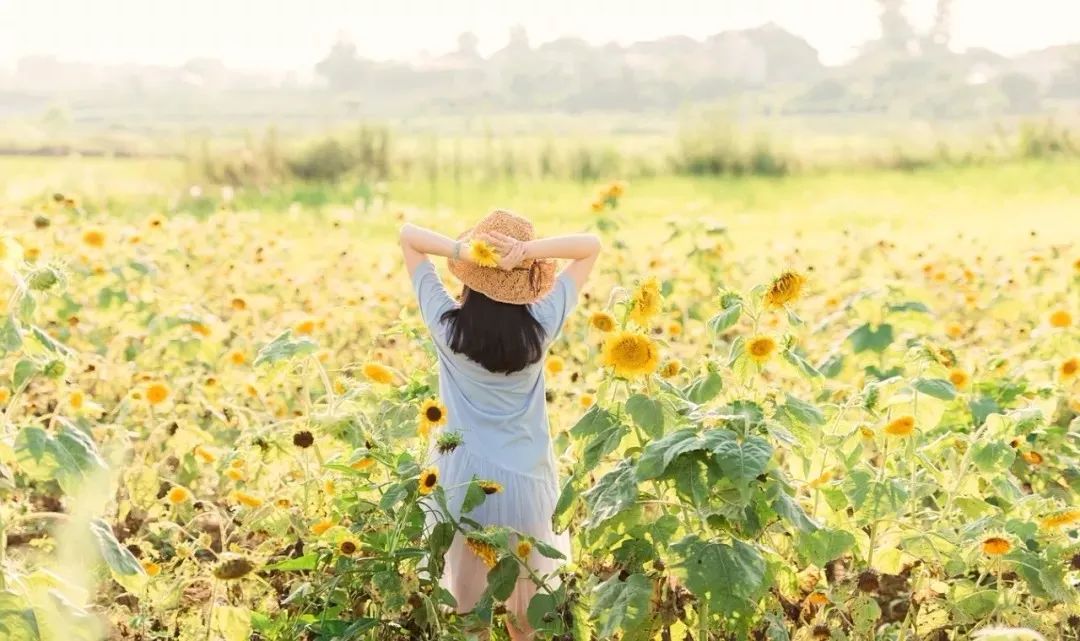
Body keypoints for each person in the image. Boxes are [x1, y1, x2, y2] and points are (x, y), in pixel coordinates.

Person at [399, 209, 601, 640]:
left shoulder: (446, 326)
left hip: (461, 483)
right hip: (527, 483)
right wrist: (525, 253)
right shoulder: (541, 326)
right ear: (526, 281)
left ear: (469, 278)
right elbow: (590, 247)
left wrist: (469, 252)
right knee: (524, 623)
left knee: (471, 621)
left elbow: (410, 237)